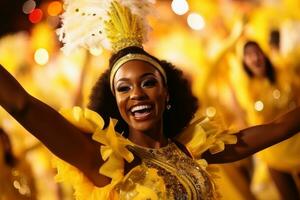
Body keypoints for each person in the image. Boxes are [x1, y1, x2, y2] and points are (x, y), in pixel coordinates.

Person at [1, 1, 300, 199]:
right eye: (123, 88)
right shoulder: (104, 160)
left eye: (148, 83)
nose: (137, 94)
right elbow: (21, 104)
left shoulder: (191, 149)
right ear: (113, 101)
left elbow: (280, 128)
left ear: (167, 93)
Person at [237, 40, 300, 199]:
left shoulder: (283, 72)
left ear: (263, 54)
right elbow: (254, 120)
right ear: (245, 63)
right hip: (273, 149)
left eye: (257, 52)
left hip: (296, 142)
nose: (254, 58)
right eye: (248, 55)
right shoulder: (247, 89)